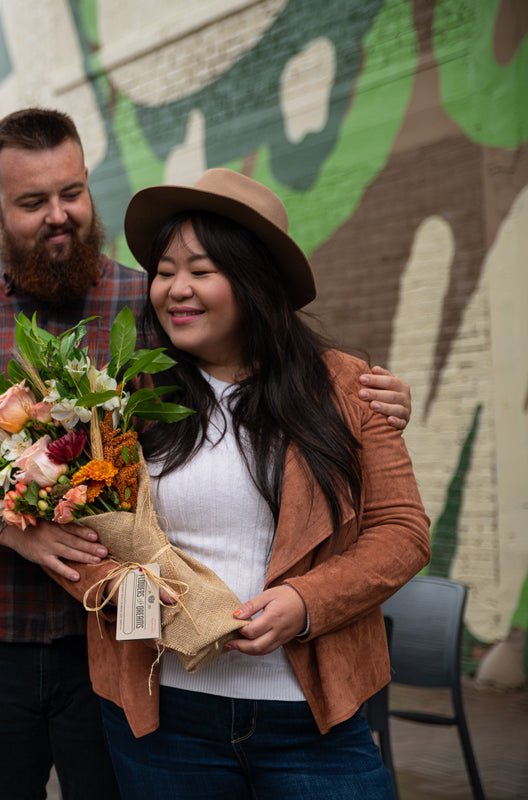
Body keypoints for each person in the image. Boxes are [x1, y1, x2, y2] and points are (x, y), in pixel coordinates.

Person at [0, 109, 412, 799]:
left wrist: (376, 398)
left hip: (121, 658)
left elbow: (265, 363)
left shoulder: (153, 305)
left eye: (72, 193)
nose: (59, 215)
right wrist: (17, 527)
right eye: (32, 202)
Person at [52, 168, 430, 799]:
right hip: (163, 717)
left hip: (312, 720)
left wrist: (305, 603)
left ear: (257, 281)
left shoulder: (346, 387)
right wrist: (122, 592)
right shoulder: (127, 396)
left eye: (201, 270)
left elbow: (403, 532)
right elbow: (76, 525)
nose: (176, 289)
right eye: (165, 270)